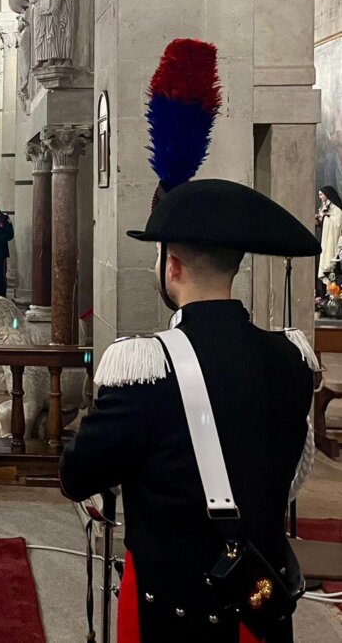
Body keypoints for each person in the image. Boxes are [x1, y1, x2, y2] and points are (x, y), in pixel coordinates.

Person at [60, 179, 319, 643]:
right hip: (260, 603)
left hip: (170, 610)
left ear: (171, 266)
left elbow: (77, 475)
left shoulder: (145, 367)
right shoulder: (292, 358)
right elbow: (290, 474)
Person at [316, 186, 342, 281]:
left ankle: (332, 290)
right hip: (324, 241)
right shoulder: (325, 207)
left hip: (333, 243)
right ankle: (326, 289)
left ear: (327, 195)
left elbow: (337, 225)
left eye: (321, 194)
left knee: (332, 267)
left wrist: (324, 218)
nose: (319, 197)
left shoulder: (336, 209)